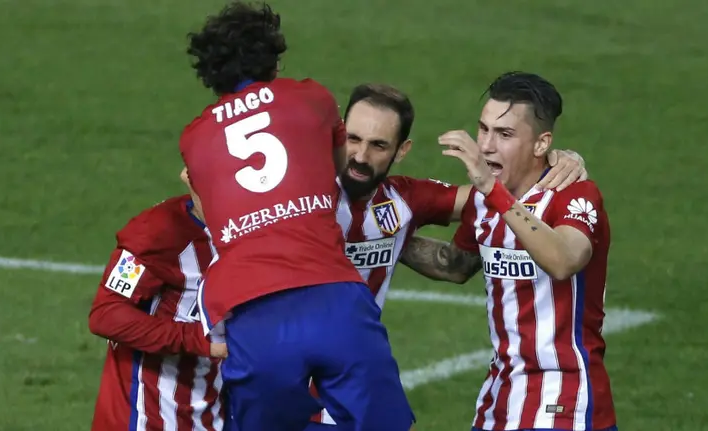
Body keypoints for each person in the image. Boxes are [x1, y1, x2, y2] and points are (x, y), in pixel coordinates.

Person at [178, 3, 413, 430]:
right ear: (273, 56)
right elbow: (341, 172)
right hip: (334, 293)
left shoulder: (194, 137)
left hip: (251, 308)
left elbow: (212, 216)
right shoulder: (312, 97)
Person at [401, 71, 617, 431]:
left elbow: (563, 260)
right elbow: (454, 265)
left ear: (541, 143)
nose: (485, 146)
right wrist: (381, 239)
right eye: (483, 129)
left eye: (504, 135)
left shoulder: (575, 195)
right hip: (500, 402)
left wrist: (491, 188)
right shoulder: (486, 202)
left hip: (565, 403)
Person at [88, 189, 226, 431]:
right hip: (146, 417)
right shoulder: (156, 232)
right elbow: (107, 314)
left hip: (216, 413)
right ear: (190, 177)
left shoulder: (261, 231)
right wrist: (201, 340)